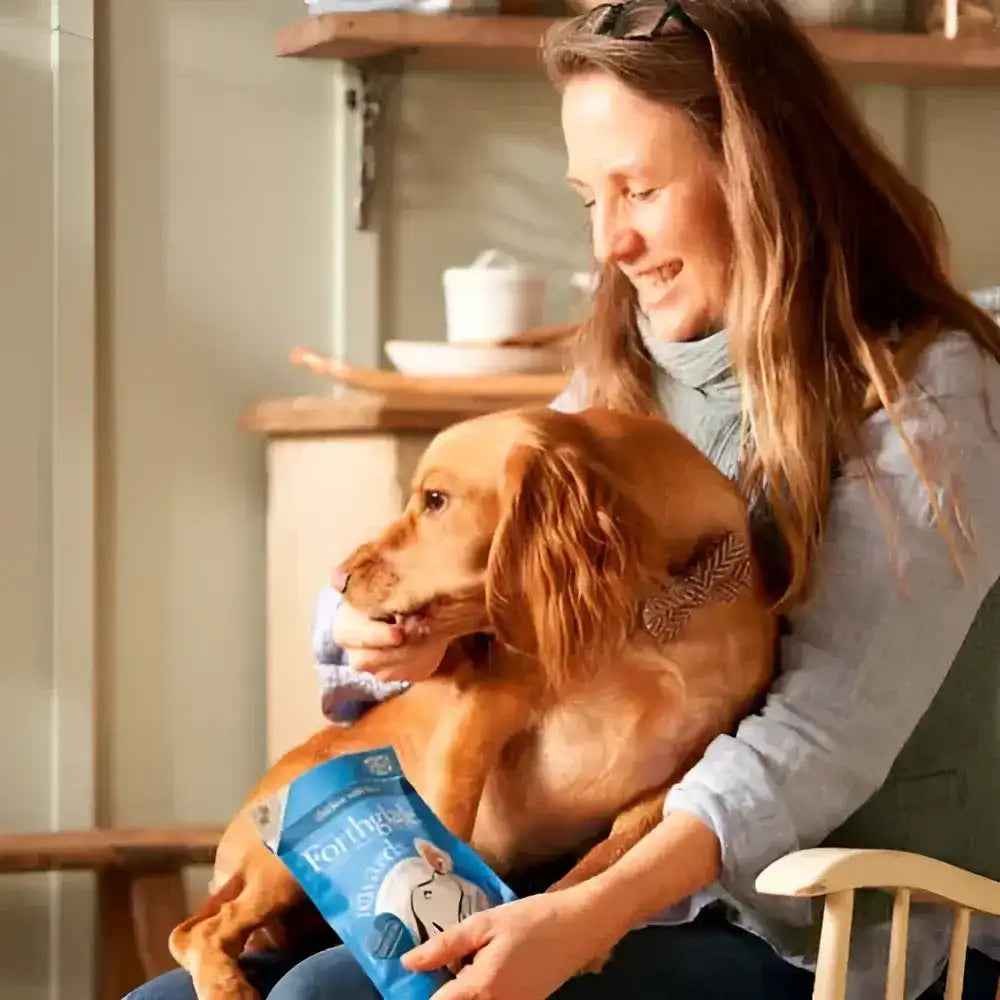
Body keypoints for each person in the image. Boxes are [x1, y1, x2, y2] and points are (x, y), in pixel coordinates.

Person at [128, 1, 1000, 998]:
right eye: (589, 198)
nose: (611, 244)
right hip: (587, 882)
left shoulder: (930, 391)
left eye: (639, 189)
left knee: (321, 995)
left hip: (831, 924)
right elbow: (482, 566)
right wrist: (384, 644)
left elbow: (815, 740)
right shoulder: (618, 381)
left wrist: (582, 915)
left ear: (766, 176)